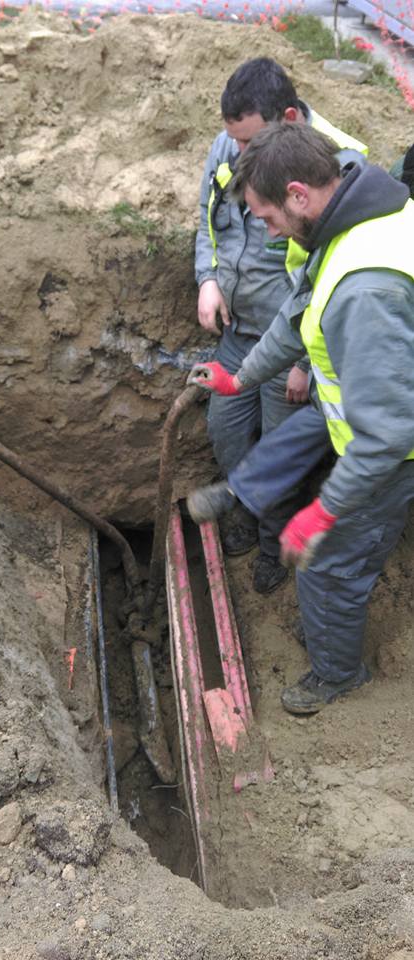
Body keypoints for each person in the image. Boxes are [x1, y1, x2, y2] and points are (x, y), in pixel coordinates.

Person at [188, 122, 414, 715]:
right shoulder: (351, 212)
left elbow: (388, 436)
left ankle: (339, 674)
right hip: (373, 405)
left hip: (396, 445)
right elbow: (298, 315)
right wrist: (240, 379)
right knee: (305, 439)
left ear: (298, 194)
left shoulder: (367, 290)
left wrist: (322, 512)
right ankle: (252, 498)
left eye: (267, 218)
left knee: (327, 568)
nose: (267, 232)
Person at [195, 56, 367, 595]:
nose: (238, 153)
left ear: (287, 120)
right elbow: (207, 219)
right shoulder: (230, 146)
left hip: (294, 346)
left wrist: (305, 364)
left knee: (280, 450)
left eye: (249, 141)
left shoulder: (338, 168)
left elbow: (322, 285)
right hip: (242, 334)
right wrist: (208, 278)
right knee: (227, 434)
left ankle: (273, 548)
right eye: (235, 141)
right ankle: (242, 513)